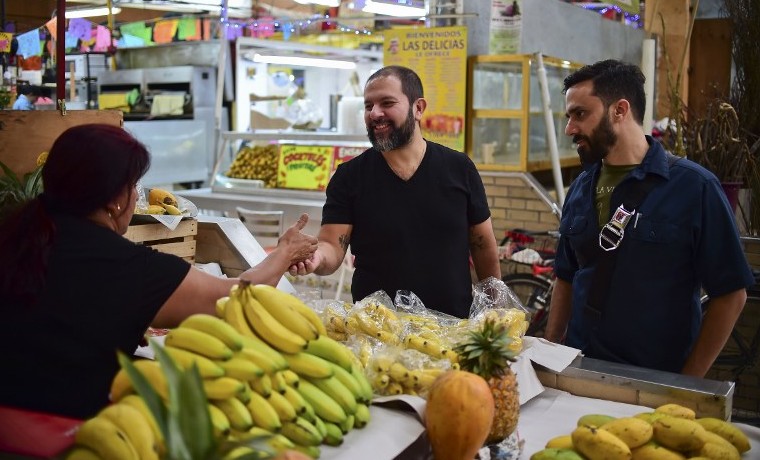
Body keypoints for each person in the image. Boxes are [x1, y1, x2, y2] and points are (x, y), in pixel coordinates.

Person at [0, 124, 318, 419]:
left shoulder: (16, 235)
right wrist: (285, 252)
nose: (138, 195)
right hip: (72, 432)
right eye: (134, 185)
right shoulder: (130, 266)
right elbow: (236, 297)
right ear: (114, 199)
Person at [543, 59, 754, 377]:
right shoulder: (581, 187)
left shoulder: (694, 187)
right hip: (579, 369)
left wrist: (687, 382)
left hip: (656, 378)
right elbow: (566, 277)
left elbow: (731, 294)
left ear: (619, 110)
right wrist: (550, 353)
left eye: (580, 114)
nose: (570, 129)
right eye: (569, 116)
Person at [291, 65, 501, 318]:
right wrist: (316, 258)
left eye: (387, 103)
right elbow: (332, 245)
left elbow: (483, 245)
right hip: (376, 332)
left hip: (453, 326)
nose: (375, 113)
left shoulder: (459, 168)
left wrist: (495, 309)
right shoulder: (349, 177)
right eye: (368, 106)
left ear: (418, 108)